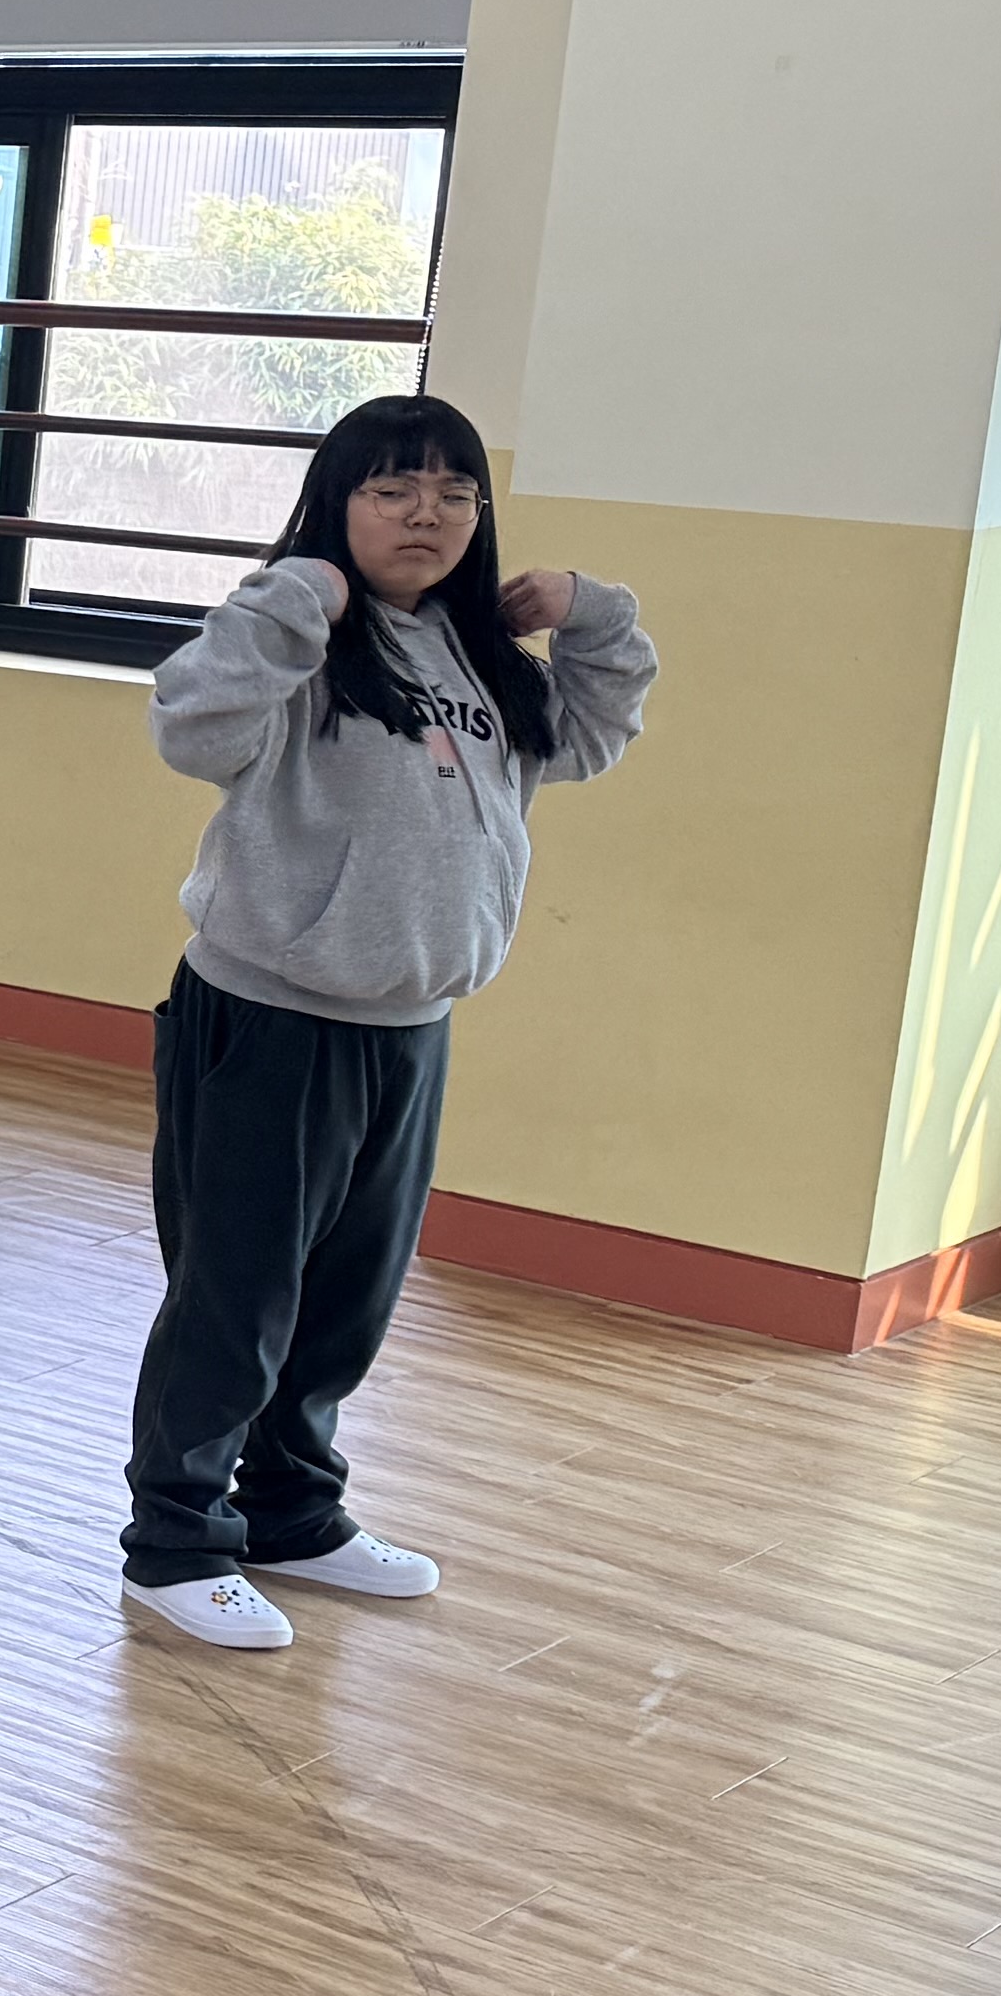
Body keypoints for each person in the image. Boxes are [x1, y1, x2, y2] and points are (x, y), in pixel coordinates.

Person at [122, 394, 655, 1650]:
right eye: (393, 488)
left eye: (456, 493)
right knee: (237, 1295)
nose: (429, 514)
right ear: (336, 503)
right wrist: (293, 598)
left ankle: (293, 1514)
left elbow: (592, 734)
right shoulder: (301, 641)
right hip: (269, 1020)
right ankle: (175, 1544)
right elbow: (190, 726)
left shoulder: (478, 665)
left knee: (348, 1299)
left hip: (410, 1025)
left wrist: (593, 614)